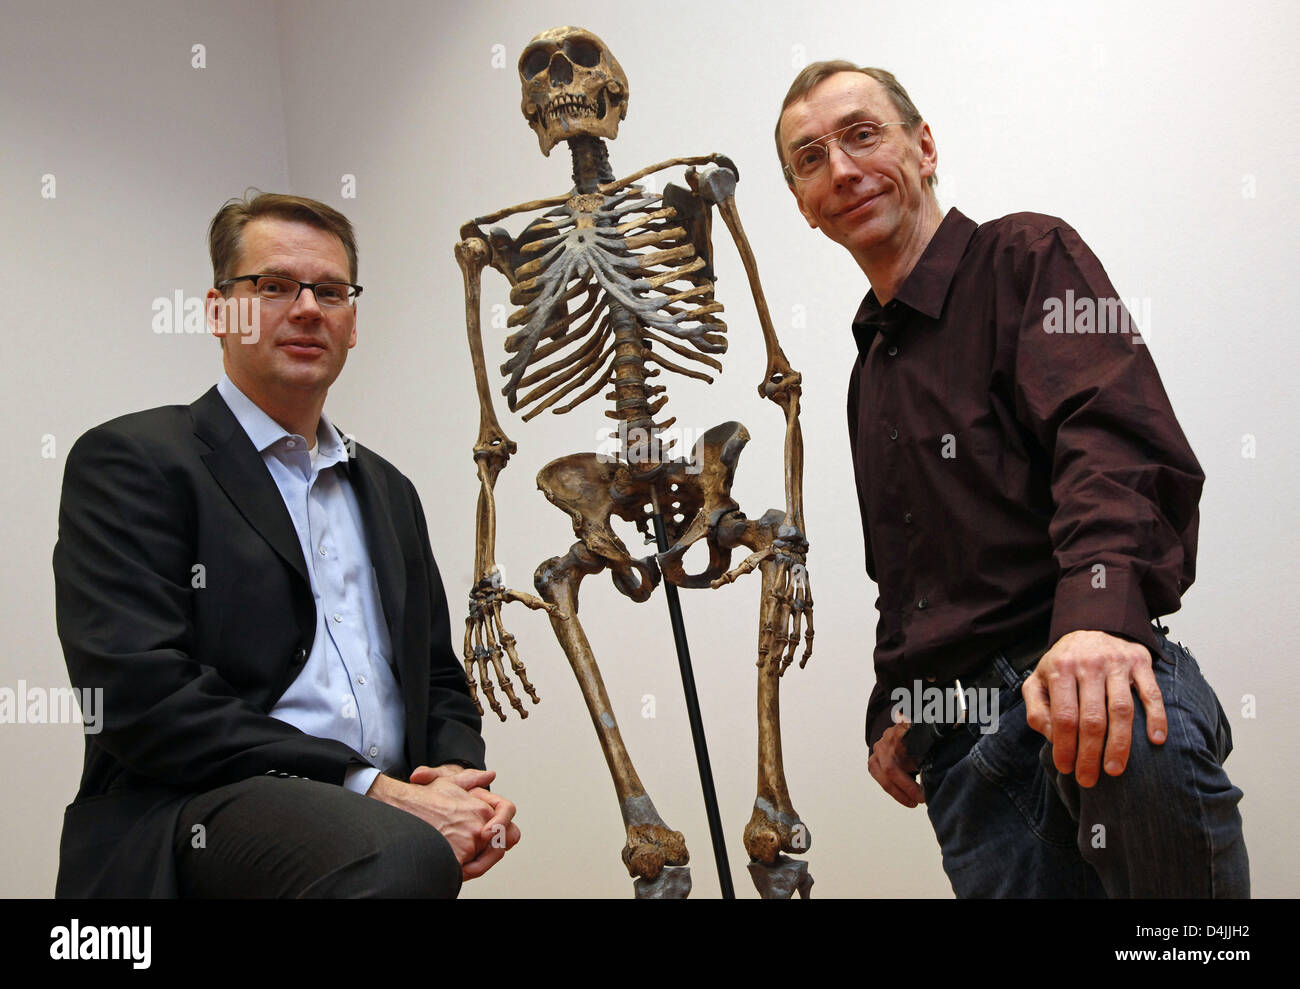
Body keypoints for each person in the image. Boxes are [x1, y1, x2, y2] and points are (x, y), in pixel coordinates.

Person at [775, 63, 1248, 896]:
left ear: (923, 147)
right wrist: (896, 701)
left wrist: (1098, 622)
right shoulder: (869, 372)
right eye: (810, 158)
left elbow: (1110, 443)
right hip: (963, 755)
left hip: (1071, 670)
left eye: (861, 134)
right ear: (803, 206)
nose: (841, 169)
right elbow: (909, 570)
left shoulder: (1026, 255)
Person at [53, 192, 519, 898]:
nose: (307, 309)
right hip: (195, 810)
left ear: (353, 322)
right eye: (273, 287)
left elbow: (439, 679)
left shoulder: (389, 490)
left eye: (330, 291)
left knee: (399, 851)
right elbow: (136, 694)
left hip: (375, 828)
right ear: (219, 310)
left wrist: (454, 779)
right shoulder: (134, 460)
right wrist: (368, 787)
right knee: (396, 854)